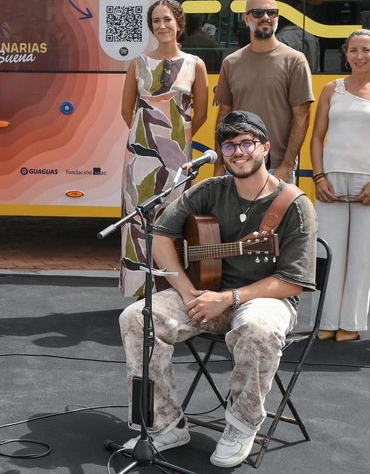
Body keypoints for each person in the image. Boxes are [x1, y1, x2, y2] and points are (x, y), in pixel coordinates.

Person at [118, 110, 317, 468]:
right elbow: (161, 236)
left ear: (264, 148)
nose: (238, 152)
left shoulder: (294, 205)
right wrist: (187, 290)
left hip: (266, 299)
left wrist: (229, 298)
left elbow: (292, 280)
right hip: (204, 294)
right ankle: (164, 425)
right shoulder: (210, 190)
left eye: (246, 143)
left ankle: (242, 424)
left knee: (256, 328)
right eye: (229, 145)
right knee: (137, 316)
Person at [310, 30, 370, 341]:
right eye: (353, 50)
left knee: (362, 255)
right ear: (346, 54)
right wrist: (319, 177)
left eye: (366, 50)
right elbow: (318, 137)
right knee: (329, 253)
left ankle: (350, 323)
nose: (359, 56)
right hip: (331, 182)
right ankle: (326, 320)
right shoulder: (330, 89)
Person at [118, 0, 209, 297]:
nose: (162, 26)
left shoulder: (195, 64)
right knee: (137, 221)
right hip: (141, 156)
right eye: (156, 21)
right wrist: (147, 138)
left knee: (171, 222)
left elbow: (201, 113)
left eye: (167, 20)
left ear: (179, 24)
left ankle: (171, 291)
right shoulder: (138, 64)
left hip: (177, 158)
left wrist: (177, 137)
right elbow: (127, 109)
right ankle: (138, 294)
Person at [214, 0, 314, 181]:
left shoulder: (295, 61)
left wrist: (287, 164)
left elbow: (301, 117)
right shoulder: (231, 63)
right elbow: (223, 117)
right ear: (246, 19)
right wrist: (220, 165)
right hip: (236, 163)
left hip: (276, 169)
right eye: (258, 13)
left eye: (272, 12)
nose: (266, 17)